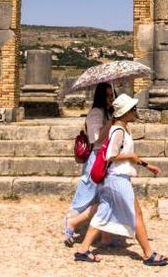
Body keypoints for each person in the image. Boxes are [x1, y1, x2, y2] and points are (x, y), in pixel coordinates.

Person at [73, 93, 168, 266]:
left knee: (103, 212)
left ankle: (83, 250)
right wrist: (131, 156)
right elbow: (110, 155)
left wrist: (147, 165)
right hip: (116, 178)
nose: (135, 111)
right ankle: (148, 254)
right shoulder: (118, 129)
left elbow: (129, 155)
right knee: (136, 213)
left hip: (115, 178)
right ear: (125, 112)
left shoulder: (122, 128)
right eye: (133, 109)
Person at [63, 82, 114, 247]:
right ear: (101, 97)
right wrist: (112, 122)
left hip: (106, 158)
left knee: (106, 197)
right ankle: (71, 222)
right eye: (108, 95)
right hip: (96, 159)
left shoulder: (107, 113)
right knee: (90, 196)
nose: (111, 98)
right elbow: (96, 139)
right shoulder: (95, 114)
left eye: (112, 95)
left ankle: (106, 237)